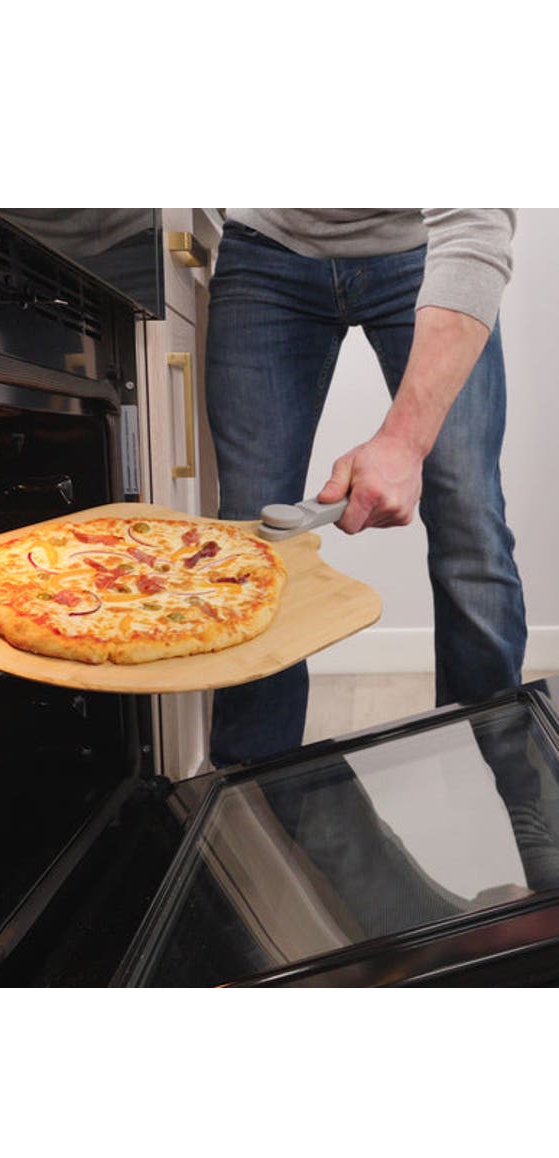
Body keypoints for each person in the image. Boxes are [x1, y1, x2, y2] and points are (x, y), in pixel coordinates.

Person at [204, 209, 527, 768]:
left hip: (422, 248)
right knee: (249, 542)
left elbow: (476, 223)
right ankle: (246, 812)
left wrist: (404, 443)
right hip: (265, 250)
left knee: (471, 523)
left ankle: (511, 791)